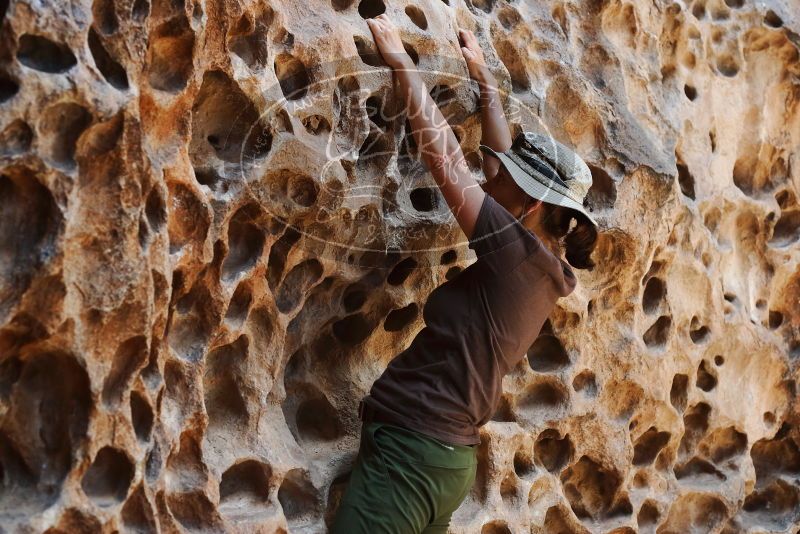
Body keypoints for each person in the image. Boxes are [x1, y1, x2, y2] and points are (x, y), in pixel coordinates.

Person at [331, 14, 600, 534]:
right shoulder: (541, 258)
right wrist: (485, 83)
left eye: (508, 182)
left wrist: (402, 65)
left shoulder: (514, 250)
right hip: (444, 460)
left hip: (411, 458)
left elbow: (447, 161)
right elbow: (497, 163)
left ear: (527, 204)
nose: (492, 177)